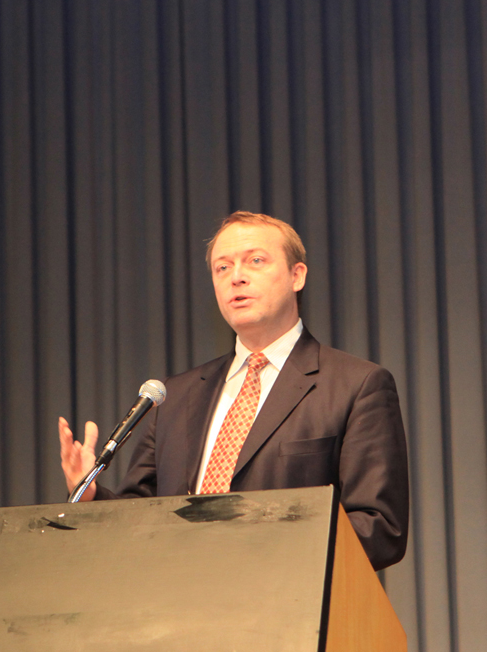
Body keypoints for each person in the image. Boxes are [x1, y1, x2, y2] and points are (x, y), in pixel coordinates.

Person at [59, 211, 408, 571]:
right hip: (181, 595)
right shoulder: (174, 397)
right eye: (222, 268)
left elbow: (379, 527)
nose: (236, 277)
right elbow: (141, 515)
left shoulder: (357, 385)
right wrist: (91, 496)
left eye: (255, 261)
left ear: (297, 276)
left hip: (285, 595)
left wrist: (256, 550)